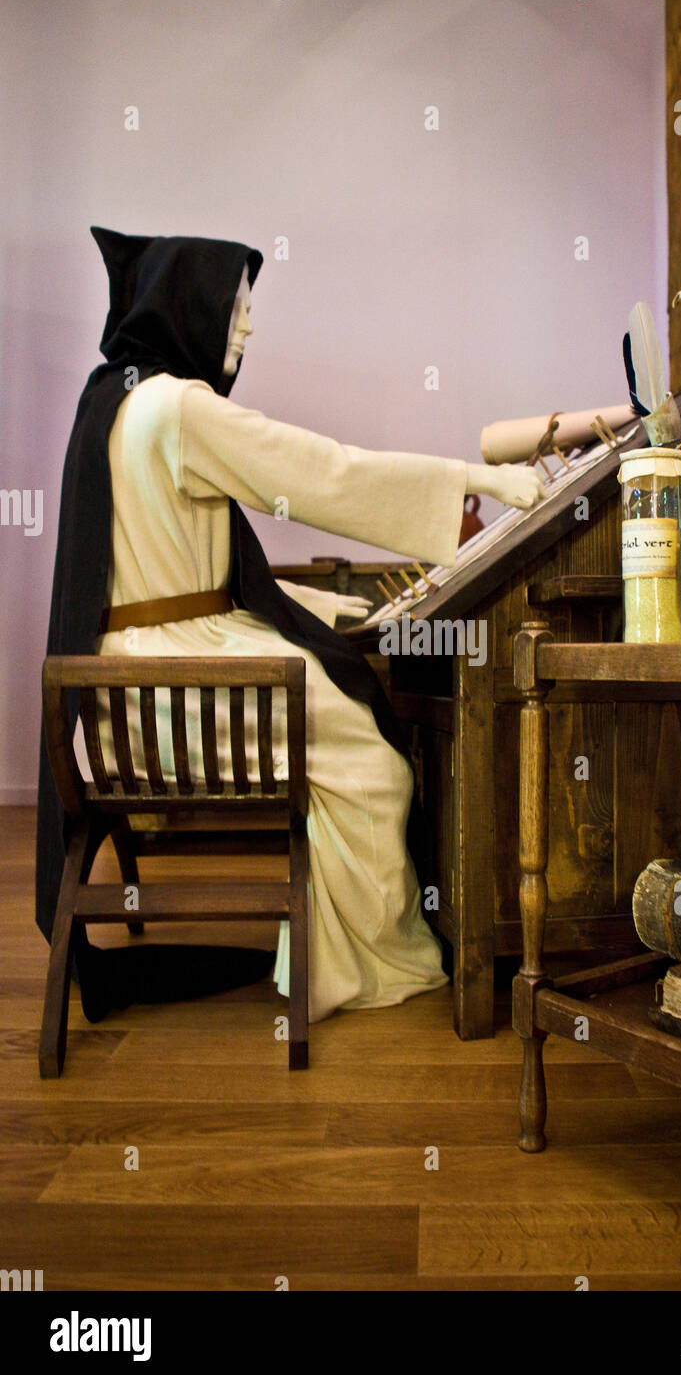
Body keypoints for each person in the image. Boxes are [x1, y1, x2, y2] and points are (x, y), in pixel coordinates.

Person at [37, 227, 545, 1023]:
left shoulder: (112, 400)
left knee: (336, 671)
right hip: (179, 689)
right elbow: (323, 472)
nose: (246, 328)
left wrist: (327, 609)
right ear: (188, 308)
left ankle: (341, 935)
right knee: (380, 769)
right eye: (233, 309)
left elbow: (178, 585)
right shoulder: (177, 407)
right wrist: (473, 477)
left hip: (115, 698)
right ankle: (368, 964)